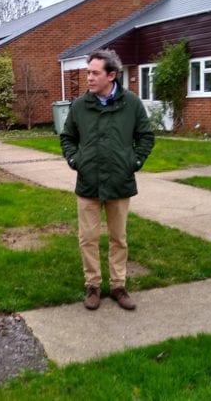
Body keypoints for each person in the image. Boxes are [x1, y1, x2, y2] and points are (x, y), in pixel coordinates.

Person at [60, 49, 154, 311]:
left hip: (119, 182)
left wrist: (134, 162)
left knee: (118, 238)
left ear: (111, 75)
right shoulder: (80, 106)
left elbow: (146, 136)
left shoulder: (131, 104)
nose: (89, 77)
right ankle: (92, 286)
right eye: (88, 72)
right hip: (88, 183)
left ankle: (118, 286)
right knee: (87, 238)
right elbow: (67, 137)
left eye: (94, 73)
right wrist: (74, 160)